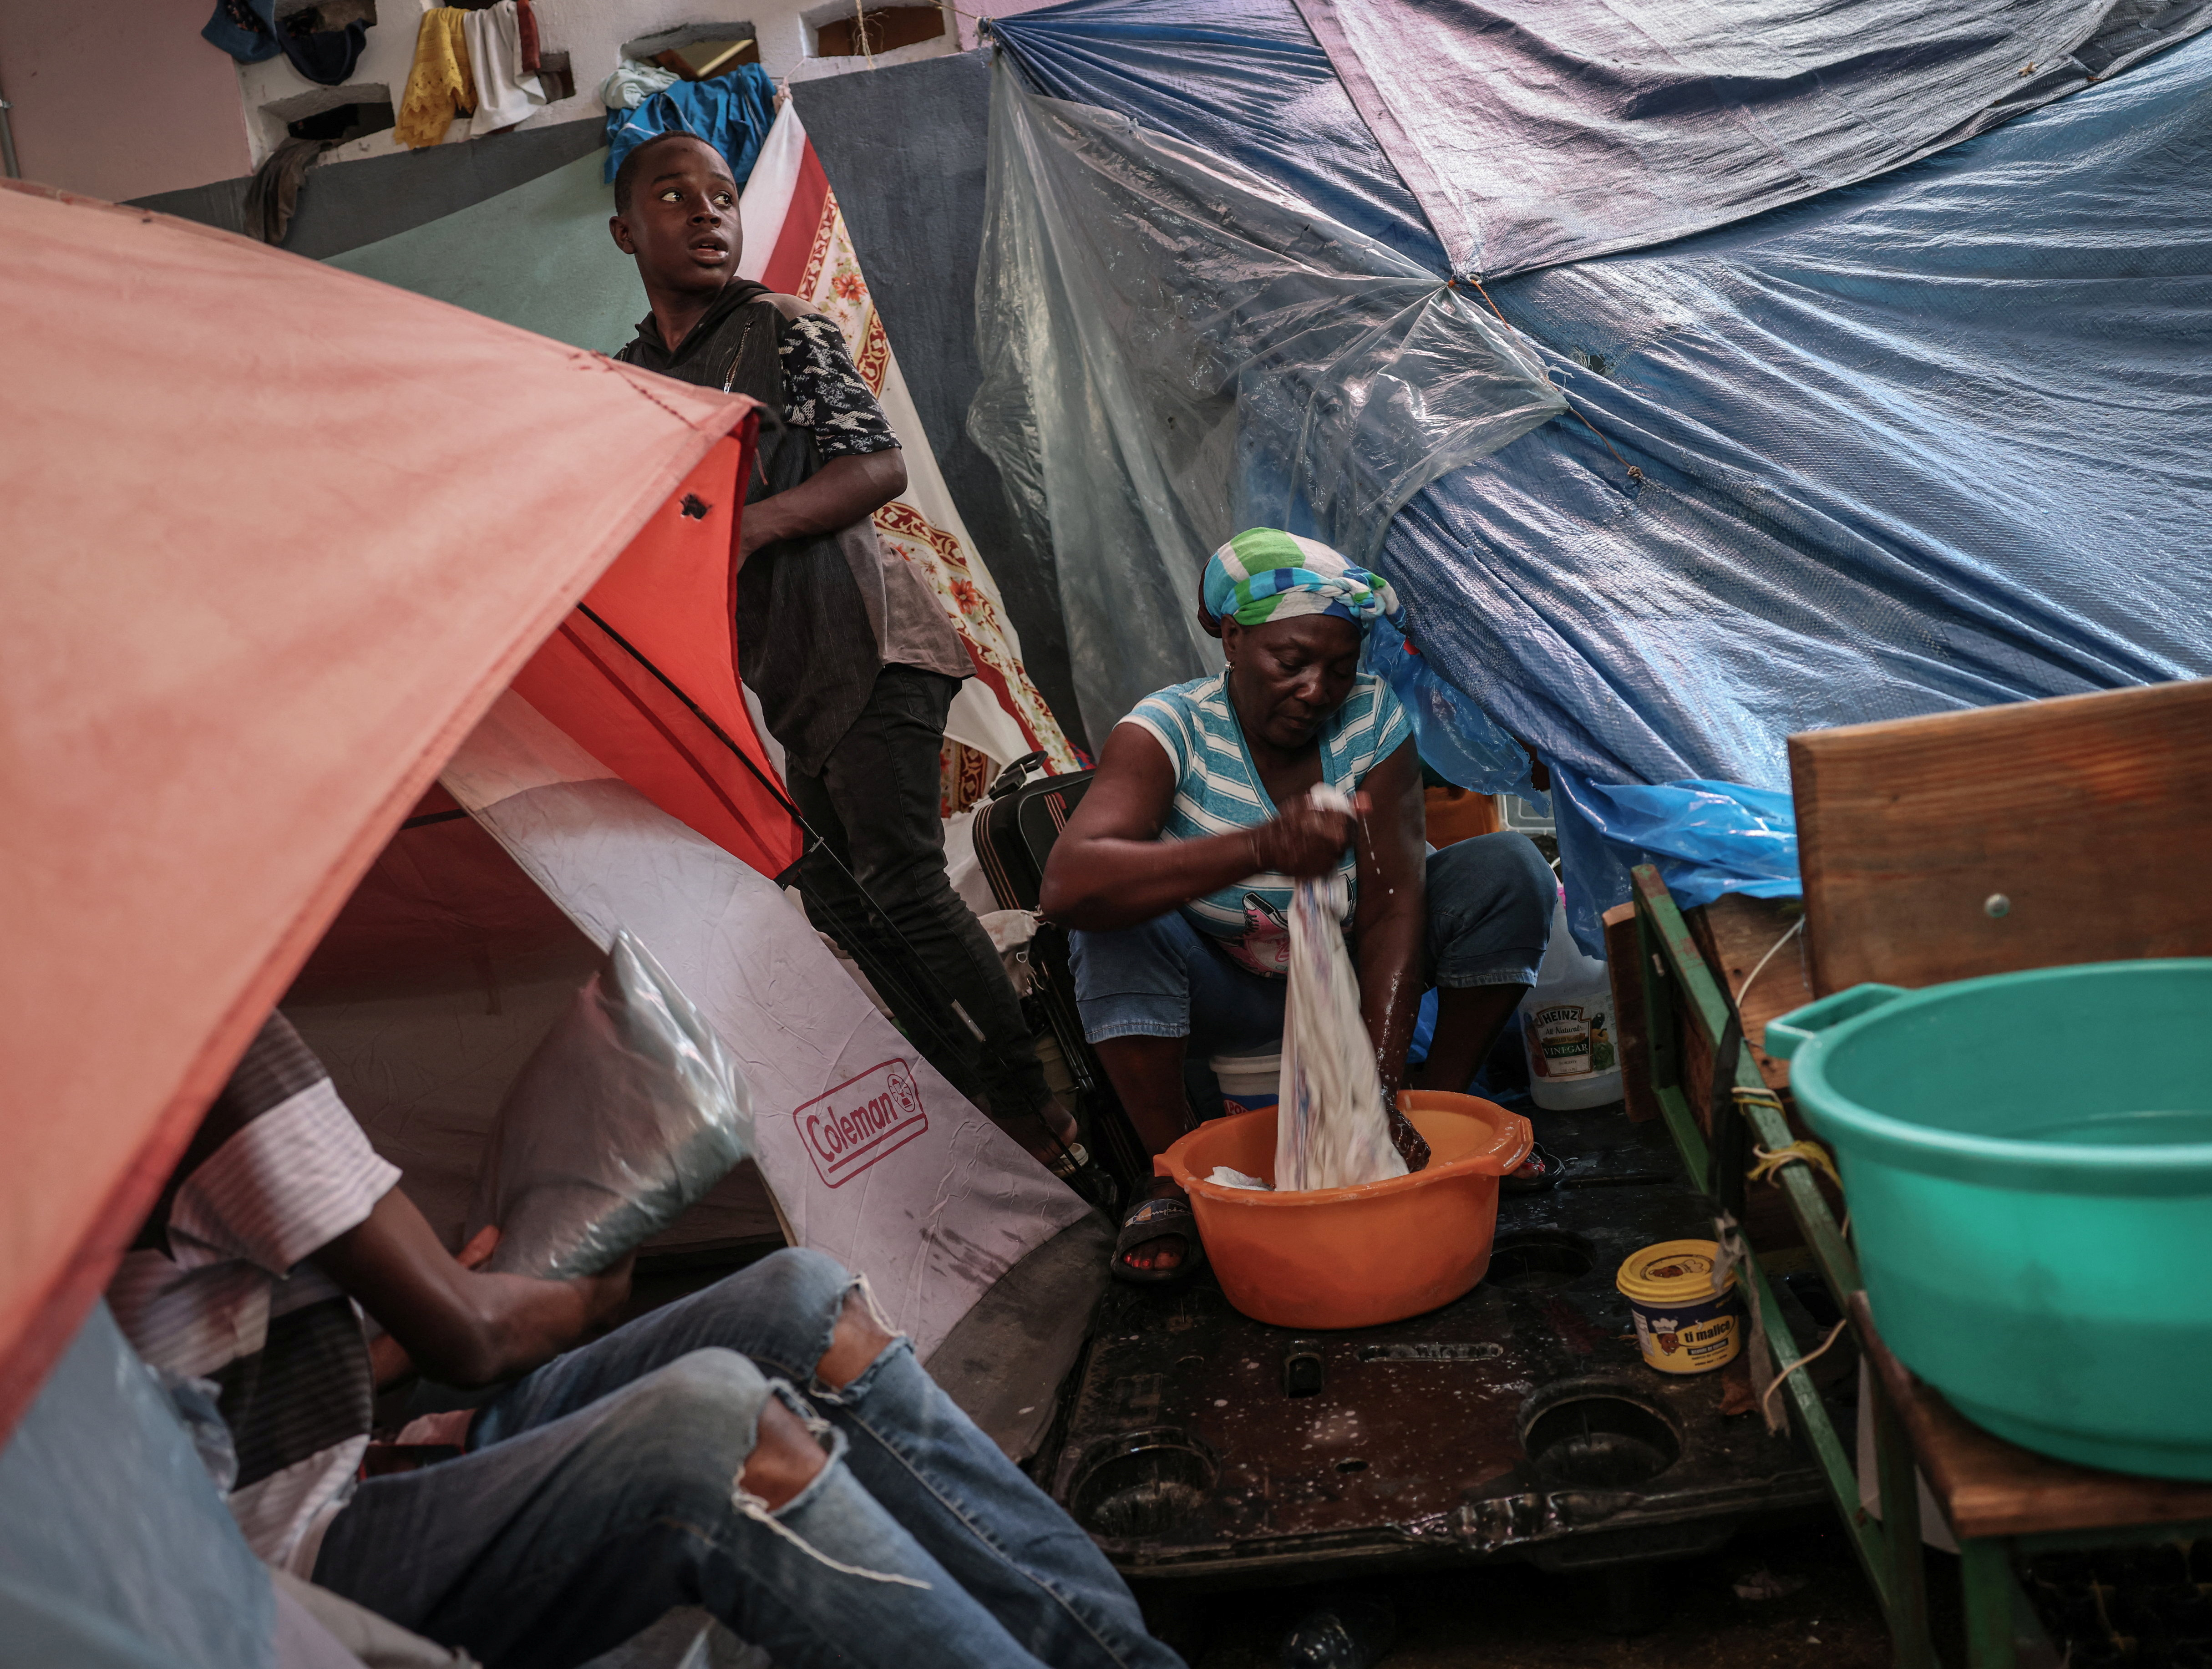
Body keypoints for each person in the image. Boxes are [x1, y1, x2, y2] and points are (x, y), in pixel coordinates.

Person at [107, 1010, 1185, 1669]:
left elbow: (218, 1350)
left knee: (798, 1300)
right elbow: (476, 1341)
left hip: (326, 1473)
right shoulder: (195, 1042)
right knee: (711, 1431)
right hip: (264, 1563)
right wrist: (579, 1294)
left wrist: (437, 1322)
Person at [604, 130, 1078, 1181]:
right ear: (625, 231)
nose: (707, 213)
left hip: (873, 641)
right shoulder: (634, 375)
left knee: (902, 882)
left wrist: (754, 529)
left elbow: (878, 467)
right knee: (834, 897)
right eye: (675, 197)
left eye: (721, 196)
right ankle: (967, 1088)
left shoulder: (782, 330)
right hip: (788, 671)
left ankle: (1038, 1099)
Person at [1038, 529, 1557, 1280]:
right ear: (1235, 639)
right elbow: (1068, 884)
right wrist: (1262, 848)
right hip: (1226, 989)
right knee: (1112, 917)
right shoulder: (1170, 728)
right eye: (1292, 662)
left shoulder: (1372, 720)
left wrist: (1377, 1094)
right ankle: (1172, 1174)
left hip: (1347, 981)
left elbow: (1393, 906)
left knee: (1510, 869)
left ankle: (1437, 1116)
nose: (1317, 689)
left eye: (1340, 668)